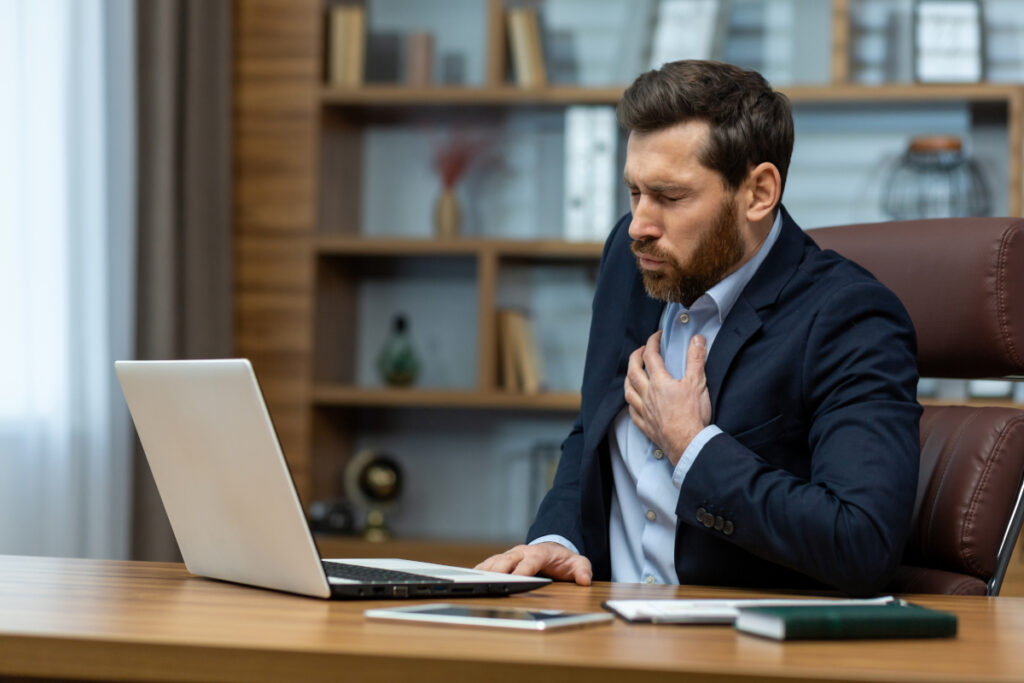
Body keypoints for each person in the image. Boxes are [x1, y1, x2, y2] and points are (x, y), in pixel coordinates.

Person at [476, 60, 921, 596]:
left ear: (758, 192)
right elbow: (591, 431)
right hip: (601, 622)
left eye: (669, 196)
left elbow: (861, 544)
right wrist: (560, 539)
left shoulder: (850, 317)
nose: (641, 223)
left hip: (738, 651)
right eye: (634, 192)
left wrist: (691, 444)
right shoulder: (633, 255)